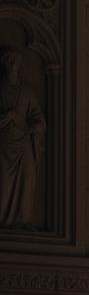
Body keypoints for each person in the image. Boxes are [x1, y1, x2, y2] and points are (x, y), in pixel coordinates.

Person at [0, 46, 45, 229]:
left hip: (24, 143)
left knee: (26, 180)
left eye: (16, 62)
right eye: (9, 61)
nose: (13, 65)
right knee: (3, 182)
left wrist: (38, 124)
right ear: (4, 64)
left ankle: (22, 220)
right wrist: (7, 117)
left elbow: (37, 115)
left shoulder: (27, 91)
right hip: (3, 144)